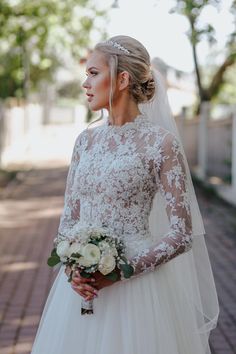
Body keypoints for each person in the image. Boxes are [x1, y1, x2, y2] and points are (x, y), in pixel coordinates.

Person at [31, 35, 219, 354]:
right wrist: (72, 268)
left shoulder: (161, 144)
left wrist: (122, 270)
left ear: (121, 78)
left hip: (139, 291)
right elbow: (70, 218)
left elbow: (181, 234)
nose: (84, 83)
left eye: (93, 73)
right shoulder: (85, 142)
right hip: (79, 291)